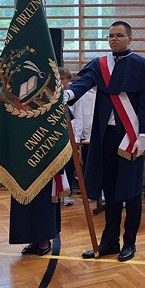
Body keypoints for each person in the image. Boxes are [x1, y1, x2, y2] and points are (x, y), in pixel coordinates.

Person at [64, 21, 145, 262]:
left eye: (119, 35)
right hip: (105, 136)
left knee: (131, 192)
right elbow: (84, 83)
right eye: (110, 36)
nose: (113, 39)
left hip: (130, 137)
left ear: (130, 38)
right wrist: (68, 94)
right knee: (109, 190)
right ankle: (110, 242)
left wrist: (144, 136)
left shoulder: (141, 66)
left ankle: (130, 242)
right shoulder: (100, 64)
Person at [59, 67, 80, 206]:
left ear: (68, 80)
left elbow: (78, 118)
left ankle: (68, 193)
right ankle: (58, 192)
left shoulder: (74, 94)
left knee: (69, 165)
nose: (61, 82)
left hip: (71, 135)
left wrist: (77, 138)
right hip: (59, 135)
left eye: (63, 79)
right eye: (59, 79)